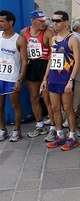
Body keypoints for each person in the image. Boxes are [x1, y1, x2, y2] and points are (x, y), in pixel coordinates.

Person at [41, 10, 80, 150]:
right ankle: (59, 134)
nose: (55, 23)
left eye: (58, 21)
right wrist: (45, 79)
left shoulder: (72, 39)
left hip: (65, 79)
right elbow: (51, 60)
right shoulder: (53, 39)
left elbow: (77, 62)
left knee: (68, 108)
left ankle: (72, 136)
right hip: (53, 78)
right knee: (55, 107)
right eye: (53, 20)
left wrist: (71, 80)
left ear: (65, 22)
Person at [20, 10, 55, 141]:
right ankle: (40, 124)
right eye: (40, 21)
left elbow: (54, 51)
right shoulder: (25, 32)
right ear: (33, 21)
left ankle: (53, 126)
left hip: (45, 64)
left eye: (44, 21)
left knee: (47, 98)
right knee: (34, 97)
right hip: (32, 65)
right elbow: (22, 50)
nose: (43, 23)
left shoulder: (48, 32)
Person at [0, 10, 28, 142]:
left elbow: (24, 62)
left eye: (2, 21)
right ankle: (2, 129)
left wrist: (20, 80)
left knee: (15, 105)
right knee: (0, 105)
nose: (0, 24)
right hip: (0, 77)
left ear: (10, 22)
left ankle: (17, 130)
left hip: (12, 78)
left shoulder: (19, 40)